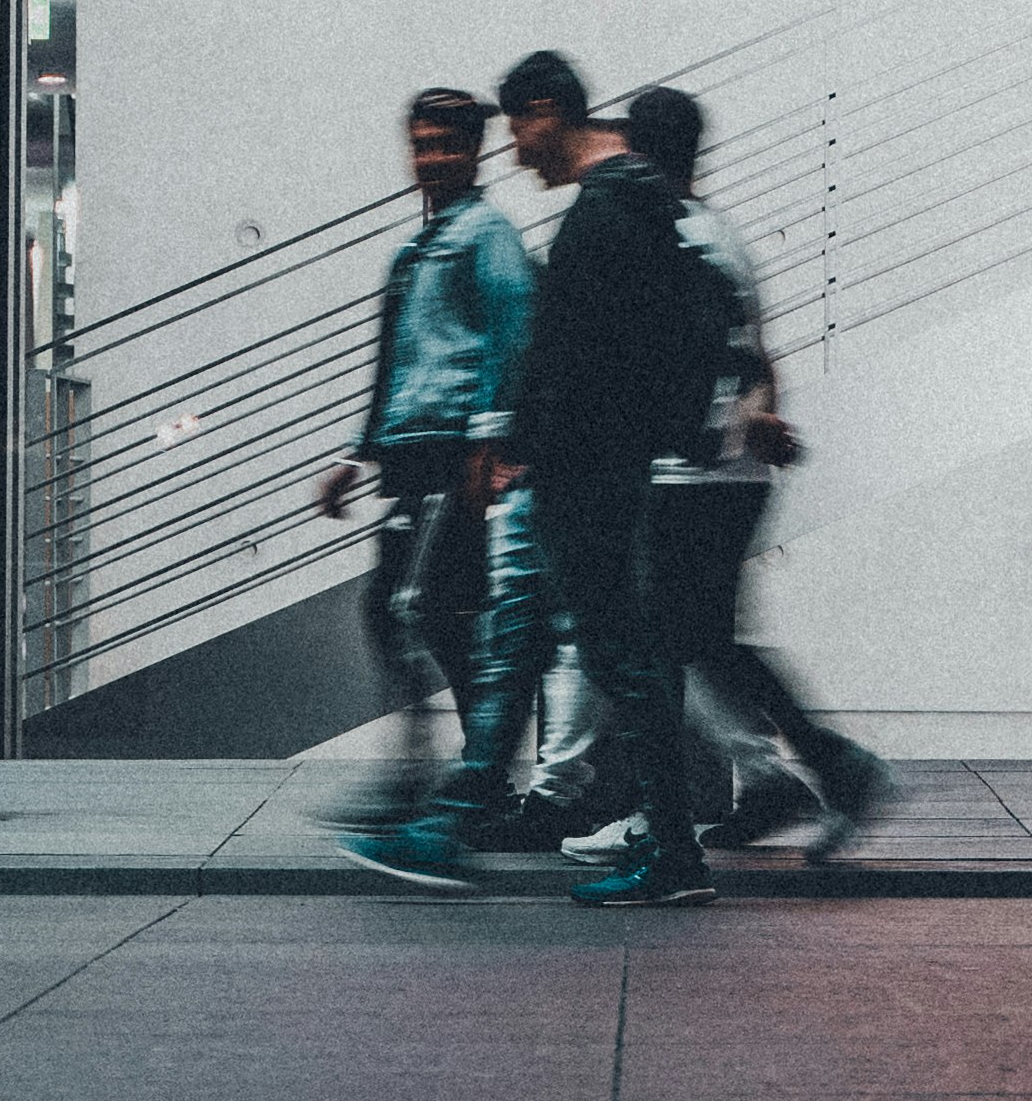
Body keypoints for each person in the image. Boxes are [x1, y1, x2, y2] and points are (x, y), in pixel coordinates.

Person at [347, 50, 728, 905]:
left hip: (582, 477)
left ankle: (669, 851)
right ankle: (458, 820)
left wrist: (516, 443)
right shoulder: (634, 203)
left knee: (616, 656)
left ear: (550, 112)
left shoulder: (604, 213)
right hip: (589, 470)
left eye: (519, 129)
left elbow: (574, 358)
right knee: (532, 640)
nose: (517, 152)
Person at [619, 84, 888, 866]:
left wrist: (737, 419)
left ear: (638, 152)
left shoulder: (681, 241)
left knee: (685, 639)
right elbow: (755, 356)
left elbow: (715, 358)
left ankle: (826, 767)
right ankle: (788, 775)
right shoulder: (716, 236)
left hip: (696, 474)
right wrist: (759, 414)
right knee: (701, 637)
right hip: (718, 472)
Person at [313, 88, 536, 813]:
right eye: (422, 142)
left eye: (447, 143)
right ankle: (475, 775)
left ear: (477, 151)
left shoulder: (487, 236)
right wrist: (356, 452)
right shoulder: (418, 248)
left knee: (418, 608)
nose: (432, 155)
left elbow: (515, 335)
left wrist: (489, 438)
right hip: (409, 456)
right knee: (405, 610)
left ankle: (458, 778)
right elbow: (393, 363)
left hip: (454, 455)